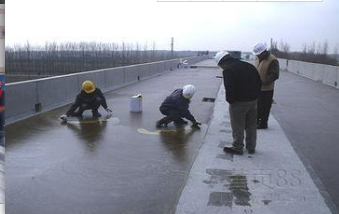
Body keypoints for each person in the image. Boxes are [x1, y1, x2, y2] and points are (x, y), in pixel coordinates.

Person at [215, 51, 262, 155]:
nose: (221, 68)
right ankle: (251, 147)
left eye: (220, 66)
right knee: (251, 125)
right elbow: (259, 82)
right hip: (253, 101)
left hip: (239, 103)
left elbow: (230, 88)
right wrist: (256, 97)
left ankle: (238, 147)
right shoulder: (248, 65)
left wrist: (231, 101)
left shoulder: (228, 70)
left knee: (238, 126)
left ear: (222, 63)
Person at [253, 42, 280, 129]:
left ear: (264, 51)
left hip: (267, 89)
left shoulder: (272, 60)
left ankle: (263, 124)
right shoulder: (257, 58)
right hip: (257, 88)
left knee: (265, 107)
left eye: (259, 54)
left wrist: (263, 82)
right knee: (256, 106)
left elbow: (274, 75)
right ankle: (255, 121)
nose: (257, 56)